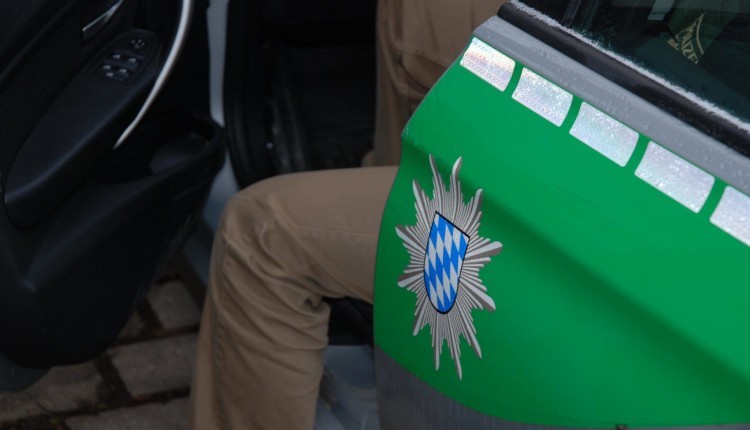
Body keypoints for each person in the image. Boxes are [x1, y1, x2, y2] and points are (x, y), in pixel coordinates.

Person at [188, 0, 503, 428]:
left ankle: (384, 252)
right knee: (417, 10)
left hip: (562, 223)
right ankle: (388, 203)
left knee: (259, 234)